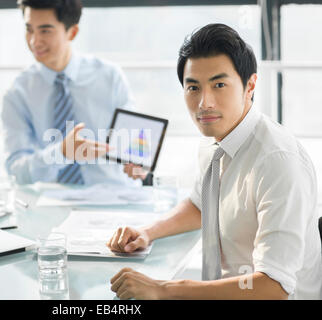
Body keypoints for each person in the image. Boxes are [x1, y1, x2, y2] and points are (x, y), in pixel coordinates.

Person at [107, 23, 322, 300]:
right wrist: (147, 232)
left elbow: (274, 287)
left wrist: (165, 289)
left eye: (219, 85)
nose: (204, 103)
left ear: (250, 86)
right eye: (193, 87)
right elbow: (202, 204)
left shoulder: (277, 162)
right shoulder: (216, 139)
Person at [2, 0, 140, 185]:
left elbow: (135, 146)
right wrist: (61, 153)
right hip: (51, 202)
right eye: (29, 29)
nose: (34, 41)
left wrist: (138, 161)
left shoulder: (109, 76)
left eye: (45, 31)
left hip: (112, 195)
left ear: (72, 32)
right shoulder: (18, 92)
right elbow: (16, 172)